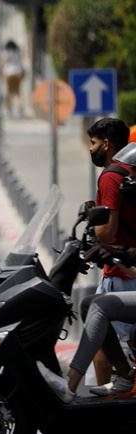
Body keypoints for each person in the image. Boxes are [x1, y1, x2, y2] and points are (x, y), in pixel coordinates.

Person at [87, 117, 136, 385]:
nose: (90, 149)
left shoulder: (109, 177)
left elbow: (107, 229)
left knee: (102, 342)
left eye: (93, 143)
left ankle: (109, 401)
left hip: (120, 274)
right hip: (128, 268)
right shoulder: (128, 171)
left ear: (106, 143)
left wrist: (88, 233)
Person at [0, 40, 24, 117]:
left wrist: (1, 70)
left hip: (9, 73)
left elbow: (4, 61)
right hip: (18, 73)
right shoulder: (18, 51)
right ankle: (19, 108)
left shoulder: (6, 51)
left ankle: (9, 109)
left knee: (9, 92)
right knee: (17, 92)